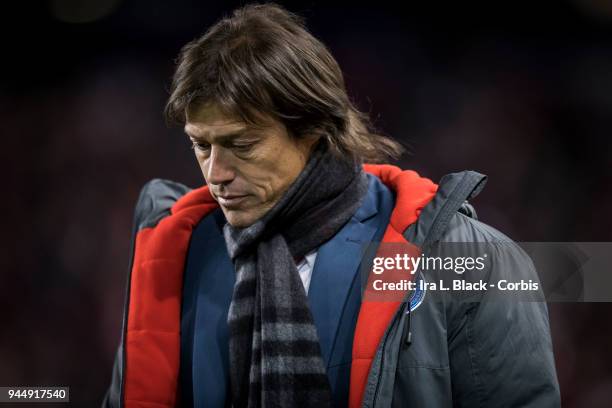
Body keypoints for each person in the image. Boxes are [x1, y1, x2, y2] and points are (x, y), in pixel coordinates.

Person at [102, 3, 560, 407]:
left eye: (242, 144)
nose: (216, 172)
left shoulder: (474, 260)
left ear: (315, 129)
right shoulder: (175, 257)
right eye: (201, 146)